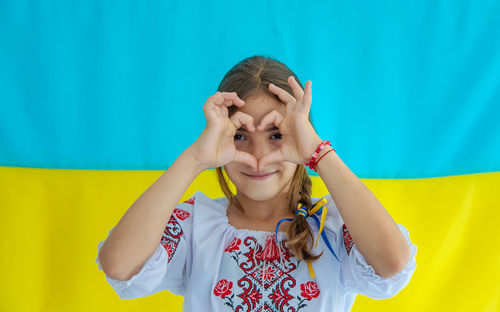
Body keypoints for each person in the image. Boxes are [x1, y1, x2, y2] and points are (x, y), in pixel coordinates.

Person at [96, 55, 417, 311]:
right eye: (240, 137)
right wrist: (195, 158)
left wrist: (317, 154)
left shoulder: (332, 227)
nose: (259, 156)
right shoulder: (195, 225)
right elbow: (118, 263)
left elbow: (392, 262)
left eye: (276, 135)